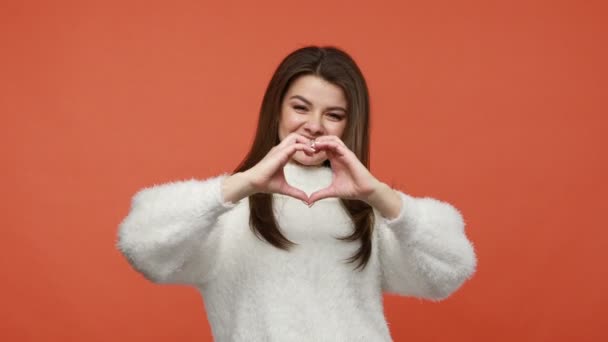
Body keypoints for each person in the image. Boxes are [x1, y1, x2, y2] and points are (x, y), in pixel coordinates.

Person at [116, 46, 477, 341]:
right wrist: (242, 185)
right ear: (276, 111)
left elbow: (451, 269)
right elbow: (139, 242)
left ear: (351, 124)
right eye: (300, 107)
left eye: (333, 114)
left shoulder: (365, 214)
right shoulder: (230, 211)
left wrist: (379, 196)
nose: (314, 124)